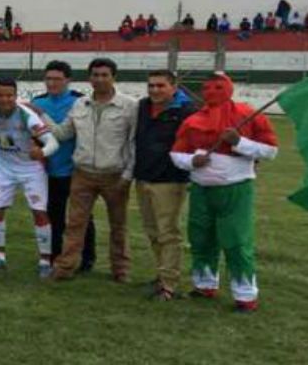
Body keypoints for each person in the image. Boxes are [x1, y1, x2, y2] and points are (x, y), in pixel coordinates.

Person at [171, 73, 278, 313]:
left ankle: (245, 295)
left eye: (218, 87)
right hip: (201, 189)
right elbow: (176, 153)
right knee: (201, 237)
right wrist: (192, 161)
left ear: (229, 88)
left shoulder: (248, 115)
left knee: (236, 241)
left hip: (235, 189)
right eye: (206, 87)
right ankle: (204, 284)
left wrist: (239, 142)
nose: (211, 91)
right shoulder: (193, 120)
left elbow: (270, 151)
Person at [50, 58, 138, 282]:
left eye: (104, 75)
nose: (99, 79)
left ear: (113, 77)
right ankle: (65, 267)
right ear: (89, 78)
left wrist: (128, 175)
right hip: (83, 173)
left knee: (118, 225)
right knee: (75, 224)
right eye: (95, 75)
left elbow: (134, 142)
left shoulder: (129, 106)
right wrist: (39, 115)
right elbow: (62, 134)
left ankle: (121, 270)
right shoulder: (79, 104)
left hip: (115, 174)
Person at [0, 78, 59, 277]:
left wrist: (42, 153)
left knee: (39, 213)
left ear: (16, 97)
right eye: (0, 95)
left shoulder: (26, 115)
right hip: (4, 170)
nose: (4, 99)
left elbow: (52, 143)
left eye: (9, 95)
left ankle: (44, 261)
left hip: (31, 170)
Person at [134, 70, 197, 300]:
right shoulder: (142, 106)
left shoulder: (187, 111)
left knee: (168, 233)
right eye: (151, 86)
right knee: (152, 232)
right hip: (143, 177)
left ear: (174, 86)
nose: (154, 90)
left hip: (170, 181)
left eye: (160, 86)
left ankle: (169, 284)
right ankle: (161, 276)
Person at [32, 61, 96, 271]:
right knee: (53, 216)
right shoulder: (38, 101)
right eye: (48, 78)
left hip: (75, 170)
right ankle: (55, 256)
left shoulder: (80, 102)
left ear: (68, 80)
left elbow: (67, 134)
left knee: (82, 218)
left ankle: (87, 258)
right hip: (48, 171)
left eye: (57, 79)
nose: (52, 83)